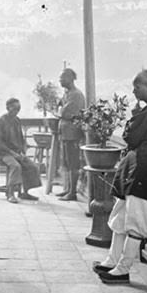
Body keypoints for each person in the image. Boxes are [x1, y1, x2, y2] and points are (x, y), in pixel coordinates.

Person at [94, 69, 147, 284]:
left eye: (137, 87)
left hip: (142, 169)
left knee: (135, 219)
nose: (134, 91)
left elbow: (131, 136)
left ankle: (123, 268)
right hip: (136, 167)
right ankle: (112, 261)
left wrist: (135, 117)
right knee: (121, 215)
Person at [0, 97, 42, 203]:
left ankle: (25, 192)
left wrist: (22, 151)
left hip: (16, 152)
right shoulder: (0, 121)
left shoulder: (16, 120)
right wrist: (13, 154)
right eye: (14, 108)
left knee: (32, 166)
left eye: (18, 108)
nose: (16, 111)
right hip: (4, 153)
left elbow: (20, 138)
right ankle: (10, 193)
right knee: (16, 166)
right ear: (8, 108)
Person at [56, 67, 86, 201]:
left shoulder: (76, 95)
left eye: (63, 77)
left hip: (72, 134)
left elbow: (65, 113)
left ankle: (72, 192)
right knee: (67, 162)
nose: (60, 80)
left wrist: (61, 110)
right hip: (65, 133)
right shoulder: (67, 94)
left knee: (73, 163)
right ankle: (68, 189)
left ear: (70, 78)